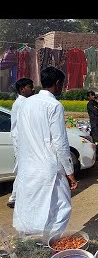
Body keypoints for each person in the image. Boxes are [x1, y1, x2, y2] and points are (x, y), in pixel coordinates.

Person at [13, 66, 78, 238]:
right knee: (62, 206)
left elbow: (19, 135)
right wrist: (70, 172)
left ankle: (31, 240)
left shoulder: (25, 103)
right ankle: (51, 242)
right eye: (62, 85)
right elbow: (60, 142)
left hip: (28, 167)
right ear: (57, 83)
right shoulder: (54, 105)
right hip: (48, 167)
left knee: (31, 206)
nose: (62, 88)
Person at [7, 78, 35, 208]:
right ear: (22, 89)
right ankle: (14, 197)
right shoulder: (22, 103)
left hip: (22, 141)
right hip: (22, 142)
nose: (33, 89)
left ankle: (17, 196)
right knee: (23, 170)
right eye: (30, 86)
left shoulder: (23, 102)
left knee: (24, 170)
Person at [87, 91, 98, 159]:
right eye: (91, 95)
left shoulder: (96, 103)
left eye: (94, 95)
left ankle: (97, 153)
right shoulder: (90, 104)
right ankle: (95, 154)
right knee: (96, 139)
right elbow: (97, 112)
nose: (93, 96)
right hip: (94, 124)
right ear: (88, 97)